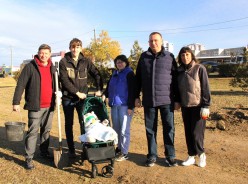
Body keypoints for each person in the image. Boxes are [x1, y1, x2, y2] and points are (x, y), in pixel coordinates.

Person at [135, 32, 179, 167]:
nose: (153, 43)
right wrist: (136, 96)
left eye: (156, 40)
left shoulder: (169, 57)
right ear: (148, 43)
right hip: (149, 100)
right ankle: (152, 155)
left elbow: (176, 80)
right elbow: (138, 79)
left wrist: (177, 99)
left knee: (169, 129)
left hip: (167, 100)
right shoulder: (143, 57)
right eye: (151, 41)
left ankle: (170, 156)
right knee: (150, 130)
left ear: (161, 42)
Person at [12, 44, 57, 170]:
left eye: (46, 53)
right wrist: (16, 102)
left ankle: (43, 152)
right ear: (38, 53)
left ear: (50, 54)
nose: (44, 55)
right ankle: (29, 158)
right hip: (35, 106)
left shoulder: (52, 67)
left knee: (46, 131)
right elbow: (20, 84)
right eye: (41, 53)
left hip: (50, 106)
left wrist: (59, 95)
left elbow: (57, 84)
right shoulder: (30, 66)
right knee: (33, 132)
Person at [59, 38, 103, 158]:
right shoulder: (63, 62)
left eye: (77, 47)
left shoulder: (86, 61)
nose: (75, 49)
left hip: (82, 99)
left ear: (81, 48)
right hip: (68, 98)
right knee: (69, 124)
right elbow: (64, 80)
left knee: (84, 123)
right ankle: (71, 150)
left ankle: (85, 148)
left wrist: (99, 89)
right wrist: (76, 92)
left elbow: (96, 73)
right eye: (73, 47)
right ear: (70, 48)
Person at [176, 47, 211, 168]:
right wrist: (177, 101)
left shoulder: (199, 68)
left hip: (198, 106)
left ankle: (201, 155)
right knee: (188, 132)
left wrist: (206, 105)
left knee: (197, 133)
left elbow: (205, 87)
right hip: (186, 106)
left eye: (187, 54)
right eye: (182, 55)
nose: (185, 57)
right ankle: (191, 155)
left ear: (191, 55)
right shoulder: (179, 71)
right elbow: (176, 88)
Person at [102, 55, 136, 162]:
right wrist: (105, 94)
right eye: (117, 62)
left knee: (124, 130)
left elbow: (132, 91)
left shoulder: (129, 73)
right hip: (114, 105)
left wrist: (131, 106)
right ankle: (119, 149)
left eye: (121, 62)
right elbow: (109, 87)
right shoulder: (114, 73)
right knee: (116, 129)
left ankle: (124, 152)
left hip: (125, 106)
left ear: (126, 63)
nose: (119, 64)